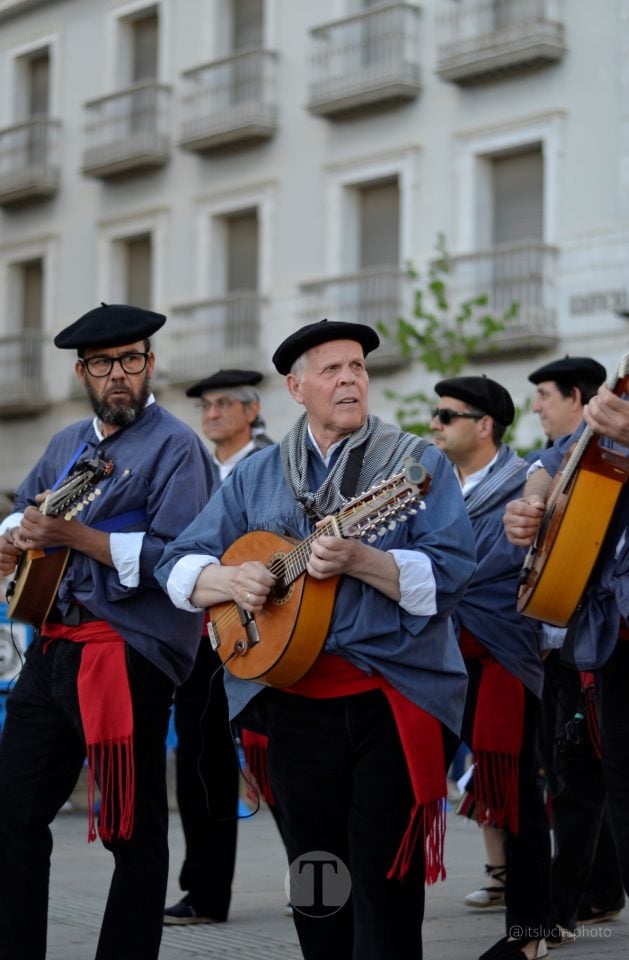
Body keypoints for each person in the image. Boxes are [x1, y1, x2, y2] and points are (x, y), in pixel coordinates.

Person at [155, 319, 477, 960]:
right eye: (331, 369)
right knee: (316, 875)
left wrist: (361, 560)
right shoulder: (257, 476)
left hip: (390, 692)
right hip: (291, 698)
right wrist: (231, 578)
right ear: (295, 387)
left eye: (357, 366)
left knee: (385, 880)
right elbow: (179, 561)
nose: (350, 378)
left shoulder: (416, 464)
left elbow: (450, 575)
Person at [0, 303, 215, 960]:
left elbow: (186, 557)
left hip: (130, 654)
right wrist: (13, 544)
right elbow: (23, 511)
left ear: (149, 366)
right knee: (12, 814)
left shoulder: (178, 447)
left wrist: (79, 537)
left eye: (130, 360)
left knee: (132, 831)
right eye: (102, 364)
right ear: (81, 373)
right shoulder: (67, 443)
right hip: (55, 646)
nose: (117, 375)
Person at [503, 358, 629, 926]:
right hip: (618, 639)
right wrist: (535, 503)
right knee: (624, 804)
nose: (534, 407)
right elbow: (551, 460)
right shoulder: (626, 383)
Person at [430, 376, 550, 960]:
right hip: (442, 657)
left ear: (484, 426)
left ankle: (529, 933)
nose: (436, 423)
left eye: (448, 415)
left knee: (517, 793)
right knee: (408, 777)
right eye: (436, 413)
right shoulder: (432, 487)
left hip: (504, 654)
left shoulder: (522, 484)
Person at [164, 368, 274, 925]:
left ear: (252, 411)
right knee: (200, 761)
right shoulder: (195, 466)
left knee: (295, 766)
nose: (210, 413)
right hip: (206, 635)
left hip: (274, 633)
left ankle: (323, 885)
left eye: (222, 403)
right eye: (204, 405)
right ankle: (204, 892)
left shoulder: (277, 465)